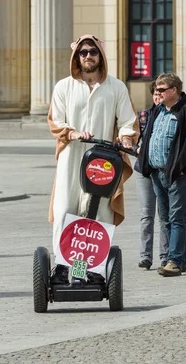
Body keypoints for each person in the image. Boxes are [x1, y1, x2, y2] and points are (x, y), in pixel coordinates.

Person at [47, 34, 138, 283]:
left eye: (92, 52)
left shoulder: (116, 87)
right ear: (76, 57)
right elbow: (56, 120)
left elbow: (128, 121)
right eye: (83, 52)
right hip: (71, 156)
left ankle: (93, 270)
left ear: (100, 55)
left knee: (99, 213)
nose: (88, 56)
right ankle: (64, 268)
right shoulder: (64, 86)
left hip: (103, 158)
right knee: (66, 209)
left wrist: (127, 138)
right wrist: (72, 132)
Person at [137, 73, 186, 277]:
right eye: (156, 90)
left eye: (161, 90)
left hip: (178, 175)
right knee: (165, 219)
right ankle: (174, 258)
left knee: (177, 218)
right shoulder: (157, 111)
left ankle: (175, 261)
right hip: (156, 173)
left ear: (174, 91)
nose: (157, 93)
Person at [135, 81, 169, 270]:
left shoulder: (172, 116)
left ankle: (165, 256)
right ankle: (145, 256)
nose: (157, 97)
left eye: (160, 94)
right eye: (155, 94)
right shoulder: (144, 116)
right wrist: (135, 147)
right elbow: (132, 138)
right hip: (144, 170)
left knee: (164, 215)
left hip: (162, 171)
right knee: (146, 214)